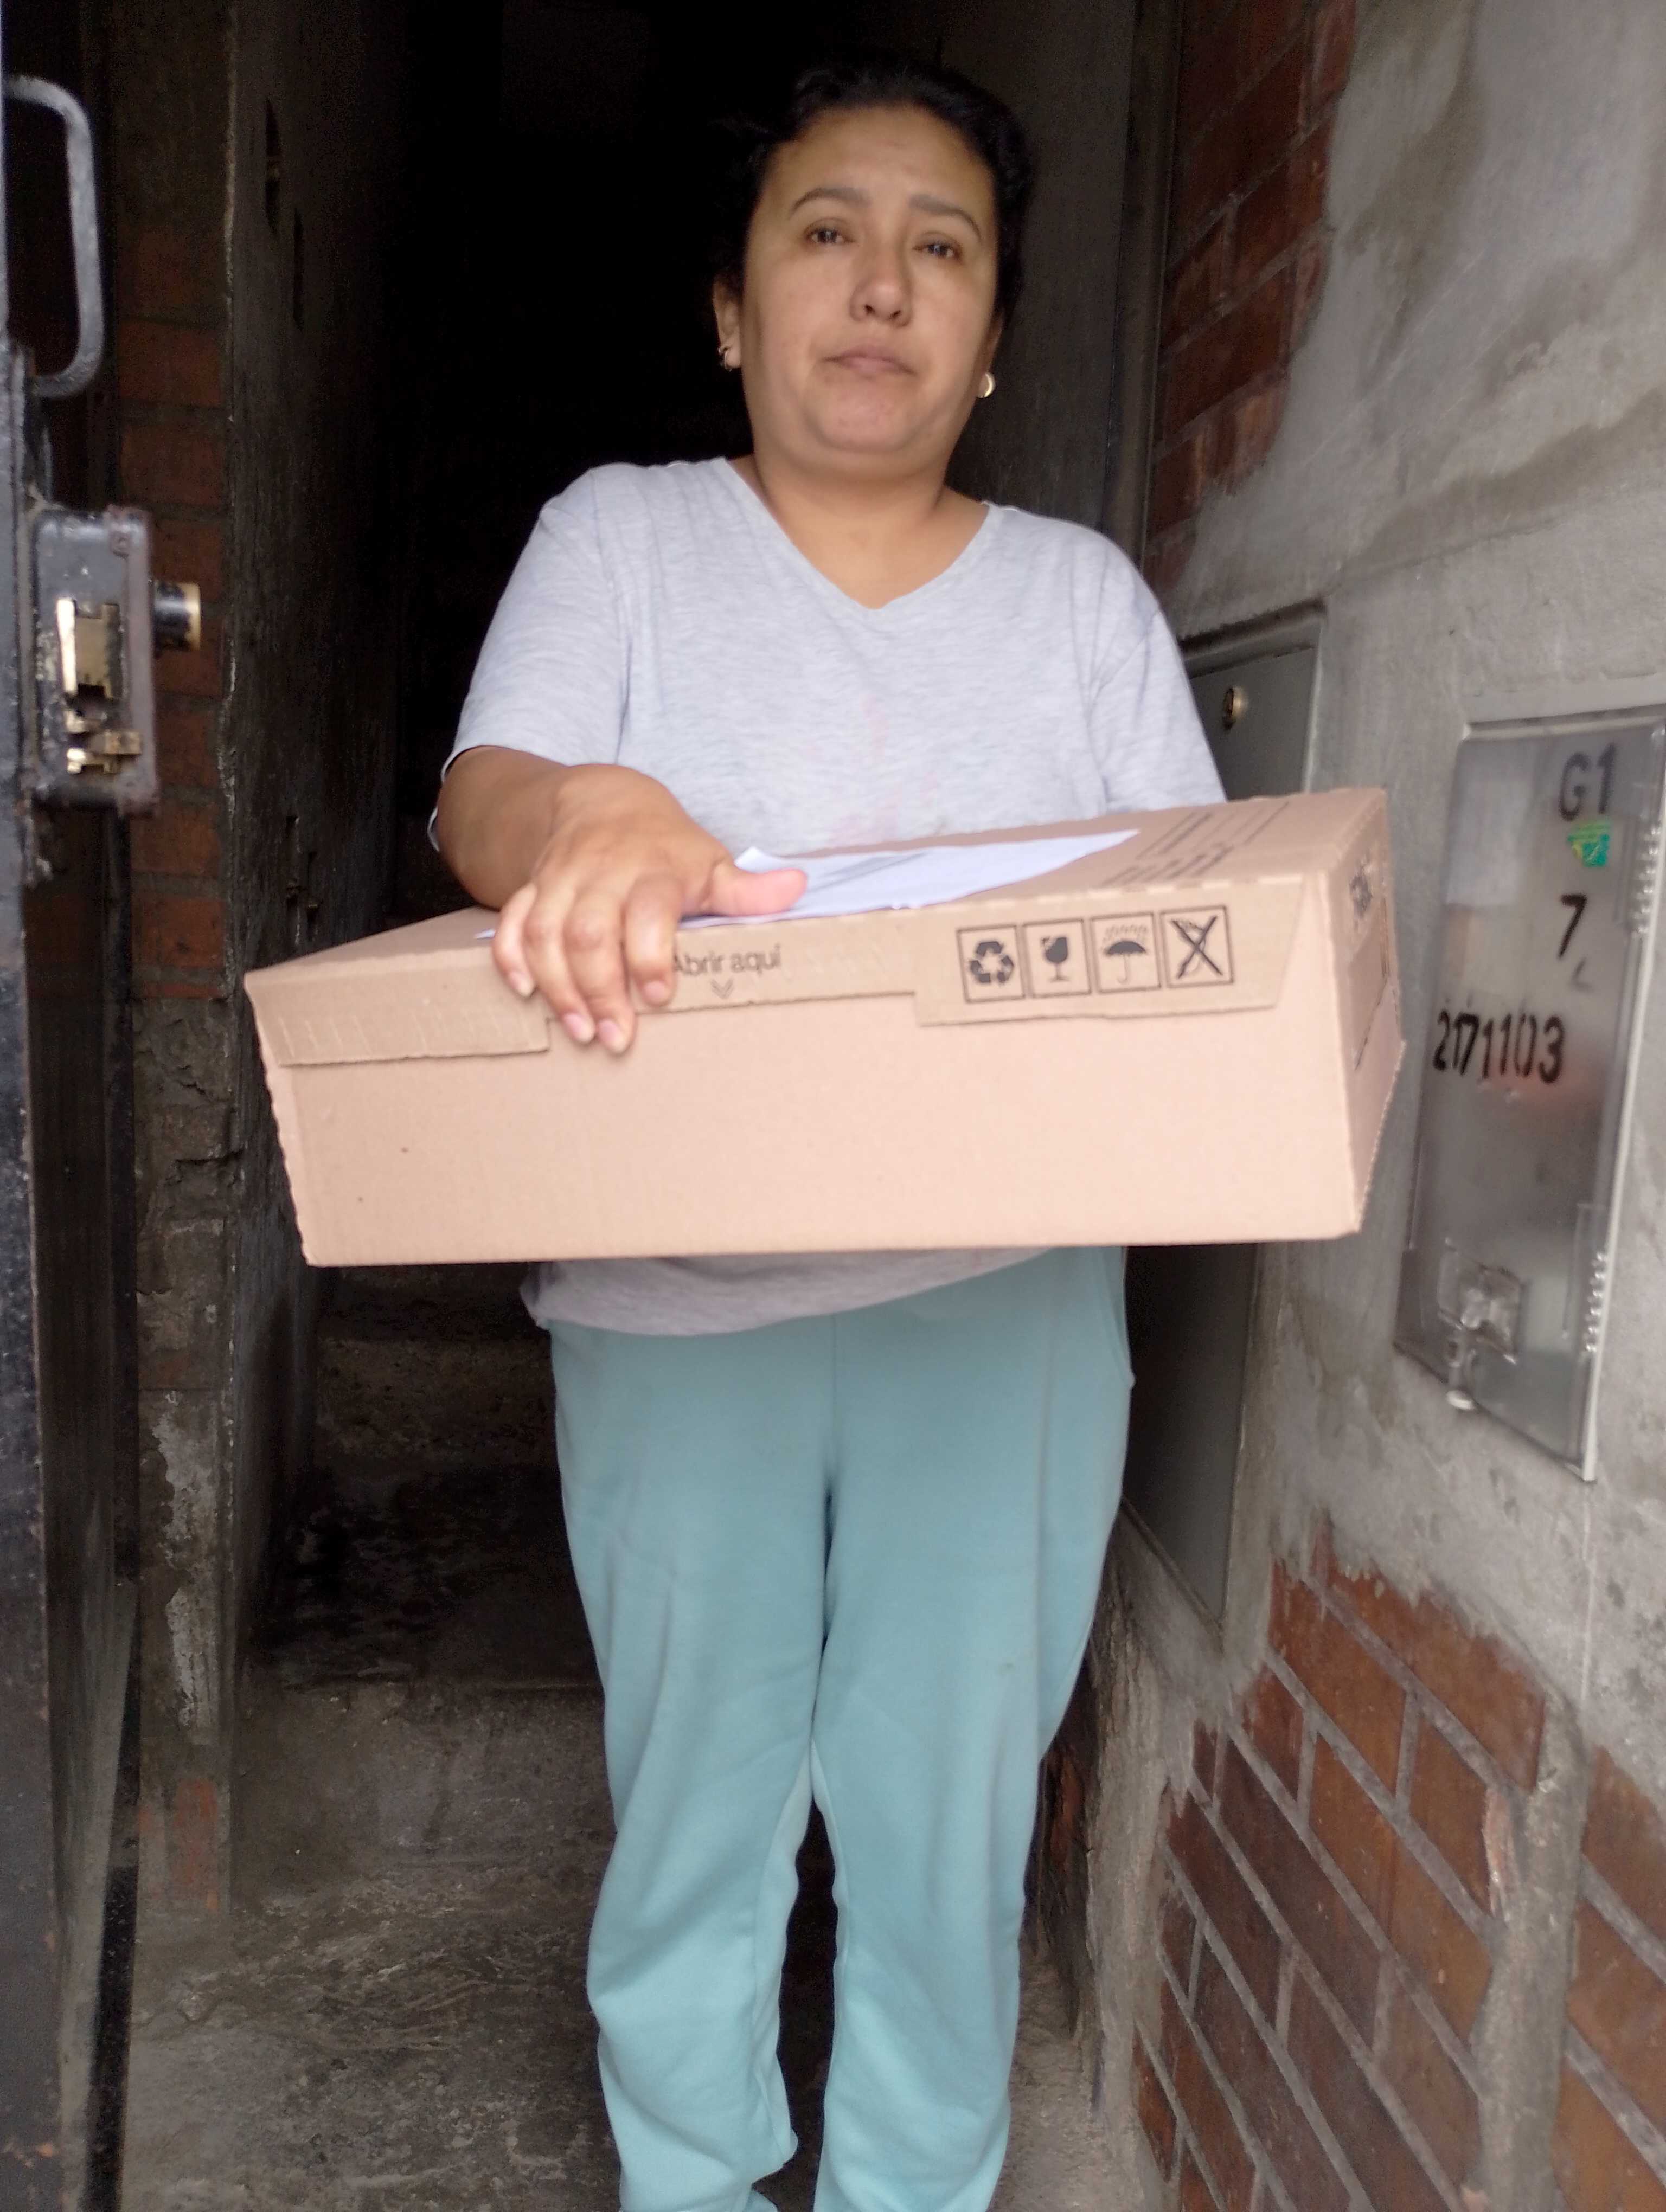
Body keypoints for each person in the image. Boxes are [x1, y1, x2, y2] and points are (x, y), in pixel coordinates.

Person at [435, 50, 1223, 2212]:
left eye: (940, 249)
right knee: (696, 1826)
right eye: (826, 232)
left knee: (948, 1844)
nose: (883, 286)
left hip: (1006, 1307)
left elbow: (1196, 929)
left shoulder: (1081, 605)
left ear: (993, 337)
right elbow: (484, 800)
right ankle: (690, 2177)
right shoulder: (621, 539)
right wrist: (590, 814)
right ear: (732, 306)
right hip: (676, 1307)